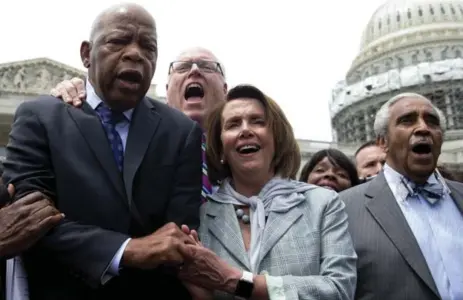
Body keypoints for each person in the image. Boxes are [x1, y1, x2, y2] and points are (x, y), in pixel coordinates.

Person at [3, 3, 202, 299]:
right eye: (118, 41)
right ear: (86, 54)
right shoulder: (40, 117)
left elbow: (178, 236)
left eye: (148, 47)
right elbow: (28, 223)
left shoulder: (182, 132)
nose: (135, 53)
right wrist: (127, 250)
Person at [176, 85, 357, 300]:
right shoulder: (201, 216)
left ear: (277, 139)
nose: (245, 130)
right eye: (233, 124)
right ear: (221, 146)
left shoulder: (323, 203)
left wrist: (234, 281)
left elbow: (340, 289)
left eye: (258, 122)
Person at [51, 47, 227, 201]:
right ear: (166, 92)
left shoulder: (244, 147)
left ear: (225, 90)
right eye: (182, 67)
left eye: (207, 66)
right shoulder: (124, 135)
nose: (195, 71)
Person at [340, 93, 463, 300]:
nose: (423, 128)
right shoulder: (343, 208)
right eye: (408, 120)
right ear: (382, 142)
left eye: (431, 121)